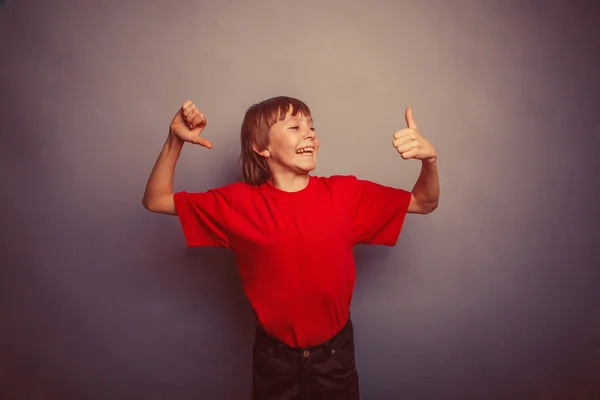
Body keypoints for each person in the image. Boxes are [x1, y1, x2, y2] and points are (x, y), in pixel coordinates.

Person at [142, 96, 439, 400]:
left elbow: (424, 202)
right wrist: (174, 140)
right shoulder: (237, 204)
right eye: (295, 126)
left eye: (311, 126)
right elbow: (156, 200)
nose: (309, 133)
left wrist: (429, 161)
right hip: (275, 362)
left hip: (334, 357)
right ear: (261, 147)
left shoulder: (346, 194)